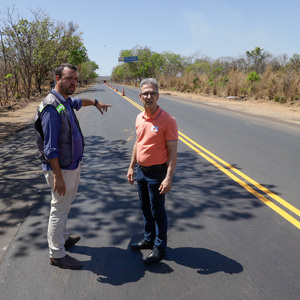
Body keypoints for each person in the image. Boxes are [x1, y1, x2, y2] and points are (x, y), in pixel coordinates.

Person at [34, 63, 112, 269]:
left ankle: (64, 237)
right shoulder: (52, 106)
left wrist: (95, 102)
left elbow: (79, 102)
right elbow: (50, 149)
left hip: (71, 165)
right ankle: (57, 254)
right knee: (58, 209)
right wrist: (58, 176)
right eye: (69, 78)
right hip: (61, 169)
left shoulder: (65, 101)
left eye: (75, 79)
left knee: (64, 206)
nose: (73, 83)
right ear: (57, 79)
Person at [127, 78, 178, 264]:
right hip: (141, 172)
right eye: (145, 93)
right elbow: (137, 143)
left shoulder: (168, 120)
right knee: (145, 208)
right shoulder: (139, 117)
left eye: (152, 93)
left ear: (158, 96)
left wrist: (168, 178)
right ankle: (148, 239)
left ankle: (159, 247)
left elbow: (172, 151)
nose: (149, 96)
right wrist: (131, 166)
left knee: (158, 211)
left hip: (157, 173)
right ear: (140, 97)